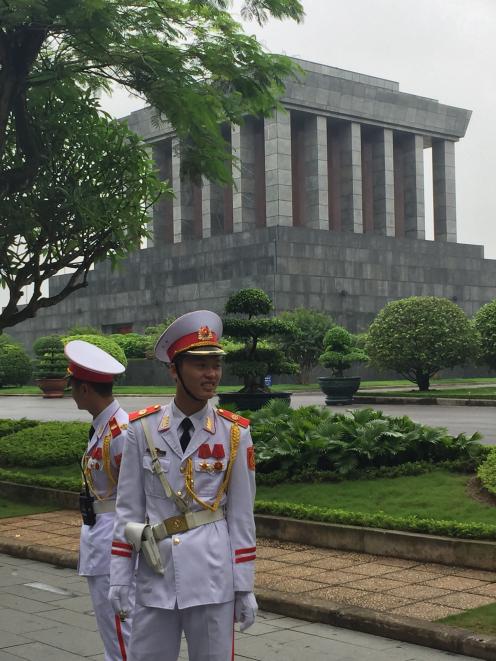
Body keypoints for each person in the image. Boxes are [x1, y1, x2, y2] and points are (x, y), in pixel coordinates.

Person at [109, 310, 257, 661]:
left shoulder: (234, 433)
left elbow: (241, 516)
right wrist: (119, 577)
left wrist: (244, 586)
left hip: (212, 576)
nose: (212, 375)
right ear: (174, 370)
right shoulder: (141, 430)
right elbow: (127, 509)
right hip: (156, 571)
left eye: (216, 364)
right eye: (200, 365)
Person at [65, 339, 133, 661]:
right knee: (114, 632)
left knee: (120, 634)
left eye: (74, 386)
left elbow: (134, 498)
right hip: (101, 538)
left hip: (112, 544)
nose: (71, 392)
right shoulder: (103, 428)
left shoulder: (121, 434)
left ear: (85, 390)